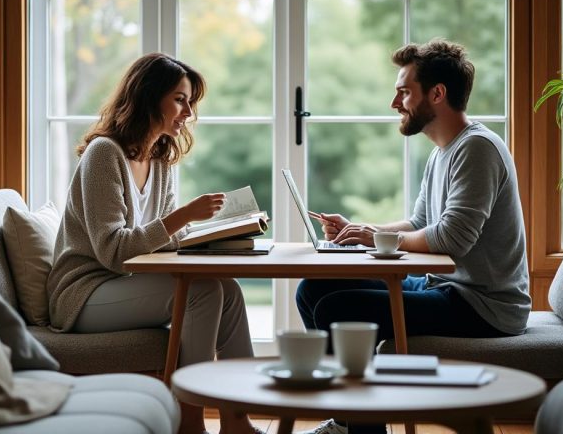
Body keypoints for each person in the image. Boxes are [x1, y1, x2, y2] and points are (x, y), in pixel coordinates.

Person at [296, 39, 531, 434]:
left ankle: (362, 429)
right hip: (445, 287)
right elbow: (420, 222)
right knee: (312, 289)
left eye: (404, 92)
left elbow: (453, 238)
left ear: (437, 94)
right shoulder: (442, 151)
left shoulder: (477, 148)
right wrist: (360, 231)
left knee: (340, 309)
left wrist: (374, 237)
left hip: (483, 304)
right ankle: (349, 419)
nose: (395, 103)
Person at [47, 53, 262, 434]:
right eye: (180, 100)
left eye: (190, 102)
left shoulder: (160, 160)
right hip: (84, 294)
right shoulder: (104, 154)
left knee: (228, 290)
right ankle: (190, 423)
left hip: (125, 285)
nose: (188, 113)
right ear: (149, 97)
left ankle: (236, 421)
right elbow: (114, 251)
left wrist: (217, 235)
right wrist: (184, 216)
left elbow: (164, 239)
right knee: (202, 293)